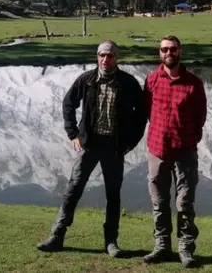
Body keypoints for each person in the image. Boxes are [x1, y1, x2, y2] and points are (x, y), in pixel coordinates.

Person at [36, 40, 146, 258]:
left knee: (113, 194)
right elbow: (68, 104)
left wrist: (130, 142)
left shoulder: (128, 83)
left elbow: (141, 114)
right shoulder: (86, 80)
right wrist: (73, 133)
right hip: (89, 145)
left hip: (115, 148)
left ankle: (111, 242)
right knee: (74, 188)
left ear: (117, 58)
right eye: (102, 55)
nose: (106, 60)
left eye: (110, 56)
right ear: (97, 57)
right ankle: (57, 235)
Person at [141, 35, 207, 268]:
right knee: (159, 202)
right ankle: (161, 246)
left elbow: (200, 117)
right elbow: (148, 111)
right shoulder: (151, 80)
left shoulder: (194, 83)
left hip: (184, 151)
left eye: (173, 49)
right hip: (157, 150)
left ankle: (186, 249)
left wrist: (189, 139)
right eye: (164, 49)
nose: (168, 53)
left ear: (180, 51)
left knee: (184, 202)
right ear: (160, 53)